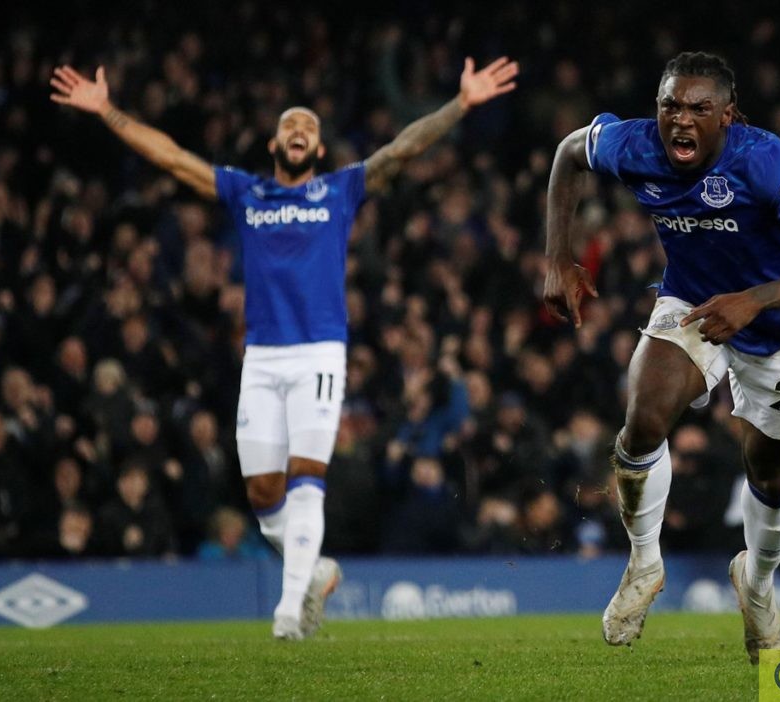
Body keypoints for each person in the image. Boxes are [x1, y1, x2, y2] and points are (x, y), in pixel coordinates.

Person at [50, 55, 518, 639]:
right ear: (274, 142)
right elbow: (172, 157)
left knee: (306, 475)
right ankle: (314, 569)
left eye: (310, 128)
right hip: (264, 359)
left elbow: (401, 150)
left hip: (320, 352)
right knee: (263, 491)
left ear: (318, 150)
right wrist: (107, 112)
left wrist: (460, 105)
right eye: (290, 125)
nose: (299, 131)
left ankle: (290, 607)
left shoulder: (340, 190)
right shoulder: (248, 194)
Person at [543, 52, 780, 663]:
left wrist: (755, 300)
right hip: (691, 299)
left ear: (727, 116)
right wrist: (558, 256)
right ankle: (644, 565)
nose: (679, 119)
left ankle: (759, 585)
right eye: (669, 106)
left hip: (778, 325)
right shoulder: (633, 146)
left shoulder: (765, 160)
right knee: (641, 422)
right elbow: (566, 154)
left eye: (697, 108)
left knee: (769, 473)